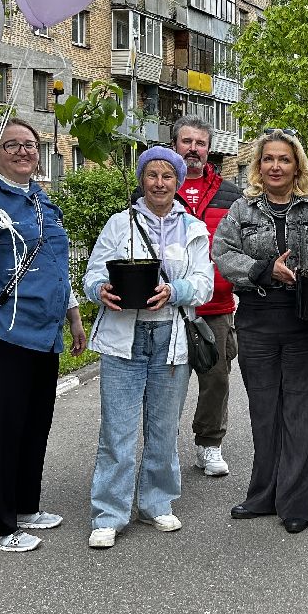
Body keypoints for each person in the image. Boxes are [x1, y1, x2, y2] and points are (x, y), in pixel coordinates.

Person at [211, 129, 308, 533]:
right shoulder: (242, 210)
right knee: (265, 412)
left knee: (303, 412)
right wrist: (263, 269)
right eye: (268, 159)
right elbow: (222, 253)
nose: (275, 166)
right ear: (258, 166)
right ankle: (264, 495)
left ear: (297, 167)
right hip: (257, 320)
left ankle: (298, 503)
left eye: (284, 159)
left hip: (307, 321)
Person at [0, 117, 87, 553]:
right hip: (5, 331)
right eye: (11, 145)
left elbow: (55, 264)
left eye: (29, 144)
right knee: (0, 428)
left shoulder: (41, 200)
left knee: (33, 423)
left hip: (45, 331)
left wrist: (73, 315)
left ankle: (24, 505)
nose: (23, 151)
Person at [83, 147, 213, 549]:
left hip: (170, 339)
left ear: (178, 182)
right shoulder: (120, 223)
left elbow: (205, 284)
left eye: (167, 176)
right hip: (125, 339)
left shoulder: (193, 228)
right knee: (117, 430)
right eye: (152, 175)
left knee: (163, 428)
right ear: (142, 180)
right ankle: (109, 513)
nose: (159, 183)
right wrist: (99, 290)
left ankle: (156, 502)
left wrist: (174, 291)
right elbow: (92, 274)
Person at [166, 115, 243, 474]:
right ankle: (163, 448)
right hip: (167, 308)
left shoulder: (231, 195)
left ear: (209, 149)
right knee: (166, 383)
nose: (193, 149)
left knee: (216, 380)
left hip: (216, 307)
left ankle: (209, 444)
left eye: (200, 143)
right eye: (187, 141)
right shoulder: (158, 187)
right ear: (174, 145)